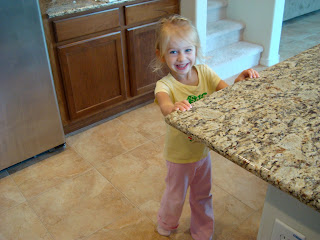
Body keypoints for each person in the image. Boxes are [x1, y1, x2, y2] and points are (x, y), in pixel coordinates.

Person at [153, 15, 259, 240]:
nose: (182, 58)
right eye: (173, 52)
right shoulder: (165, 85)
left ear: (196, 50)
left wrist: (239, 81)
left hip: (202, 153)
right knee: (175, 196)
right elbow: (164, 105)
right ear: (160, 54)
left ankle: (202, 231)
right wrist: (173, 107)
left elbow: (225, 94)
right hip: (179, 157)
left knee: (203, 195)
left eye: (187, 50)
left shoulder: (205, 73)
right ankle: (166, 223)